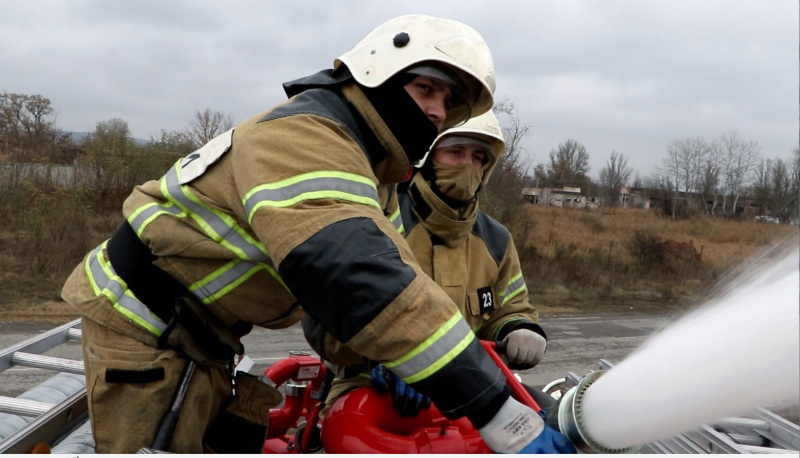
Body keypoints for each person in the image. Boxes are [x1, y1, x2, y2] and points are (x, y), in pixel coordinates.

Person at [61, 14, 572, 454]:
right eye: (425, 88)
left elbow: (381, 295)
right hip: (146, 330)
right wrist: (499, 413)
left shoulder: (376, 175)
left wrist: (393, 361)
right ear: (376, 73)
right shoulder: (307, 137)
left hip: (203, 338)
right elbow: (354, 277)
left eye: (448, 100)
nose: (437, 110)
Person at [304, 110, 552, 418]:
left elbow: (509, 308)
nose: (467, 165)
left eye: (478, 157)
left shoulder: (497, 240)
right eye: (455, 152)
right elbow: (327, 319)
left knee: (554, 425)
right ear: (427, 157)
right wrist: (387, 360)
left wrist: (519, 328)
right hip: (372, 389)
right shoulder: (380, 221)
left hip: (469, 390)